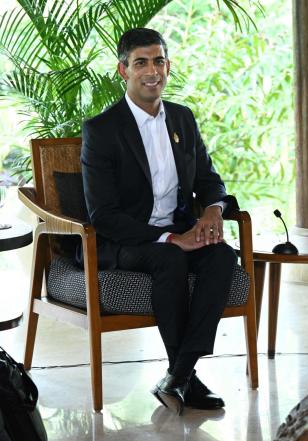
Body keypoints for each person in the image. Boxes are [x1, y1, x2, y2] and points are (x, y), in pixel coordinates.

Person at [81, 28, 239, 415]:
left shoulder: (182, 119)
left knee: (221, 255)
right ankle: (184, 377)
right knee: (171, 258)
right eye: (141, 63)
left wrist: (214, 208)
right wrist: (170, 238)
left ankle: (179, 375)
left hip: (181, 228)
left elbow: (208, 179)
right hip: (128, 241)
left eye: (158, 61)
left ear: (167, 66)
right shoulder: (102, 130)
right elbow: (103, 215)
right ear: (123, 70)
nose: (152, 71)